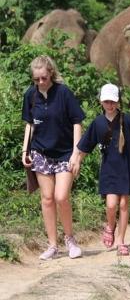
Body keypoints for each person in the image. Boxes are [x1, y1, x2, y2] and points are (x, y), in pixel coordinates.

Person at [76, 83, 130, 255]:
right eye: (106, 102)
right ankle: (110, 226)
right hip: (109, 169)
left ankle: (121, 240)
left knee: (123, 204)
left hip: (127, 168)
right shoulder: (97, 123)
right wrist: (77, 161)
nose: (110, 105)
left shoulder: (128, 120)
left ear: (118, 102)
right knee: (111, 204)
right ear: (101, 102)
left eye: (113, 101)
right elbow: (86, 146)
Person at [22, 55, 85, 260]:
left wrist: (76, 153)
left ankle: (70, 239)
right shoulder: (30, 95)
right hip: (40, 152)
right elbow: (29, 124)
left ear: (51, 73)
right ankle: (52, 245)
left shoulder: (64, 93)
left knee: (61, 197)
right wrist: (25, 151)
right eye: (36, 79)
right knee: (47, 199)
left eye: (44, 78)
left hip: (65, 152)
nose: (40, 82)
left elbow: (77, 122)